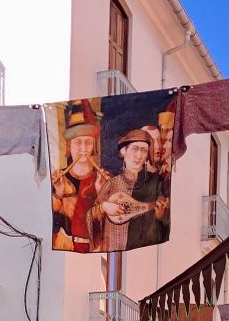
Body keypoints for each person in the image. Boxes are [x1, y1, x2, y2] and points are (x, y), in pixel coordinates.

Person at [88, 129, 170, 251]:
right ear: (124, 151)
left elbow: (166, 218)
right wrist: (103, 207)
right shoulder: (112, 183)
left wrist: (161, 216)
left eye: (144, 151)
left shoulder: (156, 182)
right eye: (135, 149)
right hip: (115, 250)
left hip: (146, 251)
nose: (139, 156)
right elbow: (92, 215)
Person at [51, 99, 108, 252]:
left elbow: (109, 224)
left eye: (88, 142)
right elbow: (49, 221)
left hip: (95, 249)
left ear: (93, 146)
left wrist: (100, 193)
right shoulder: (59, 178)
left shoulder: (103, 178)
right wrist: (59, 194)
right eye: (78, 142)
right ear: (70, 145)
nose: (83, 149)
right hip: (65, 246)